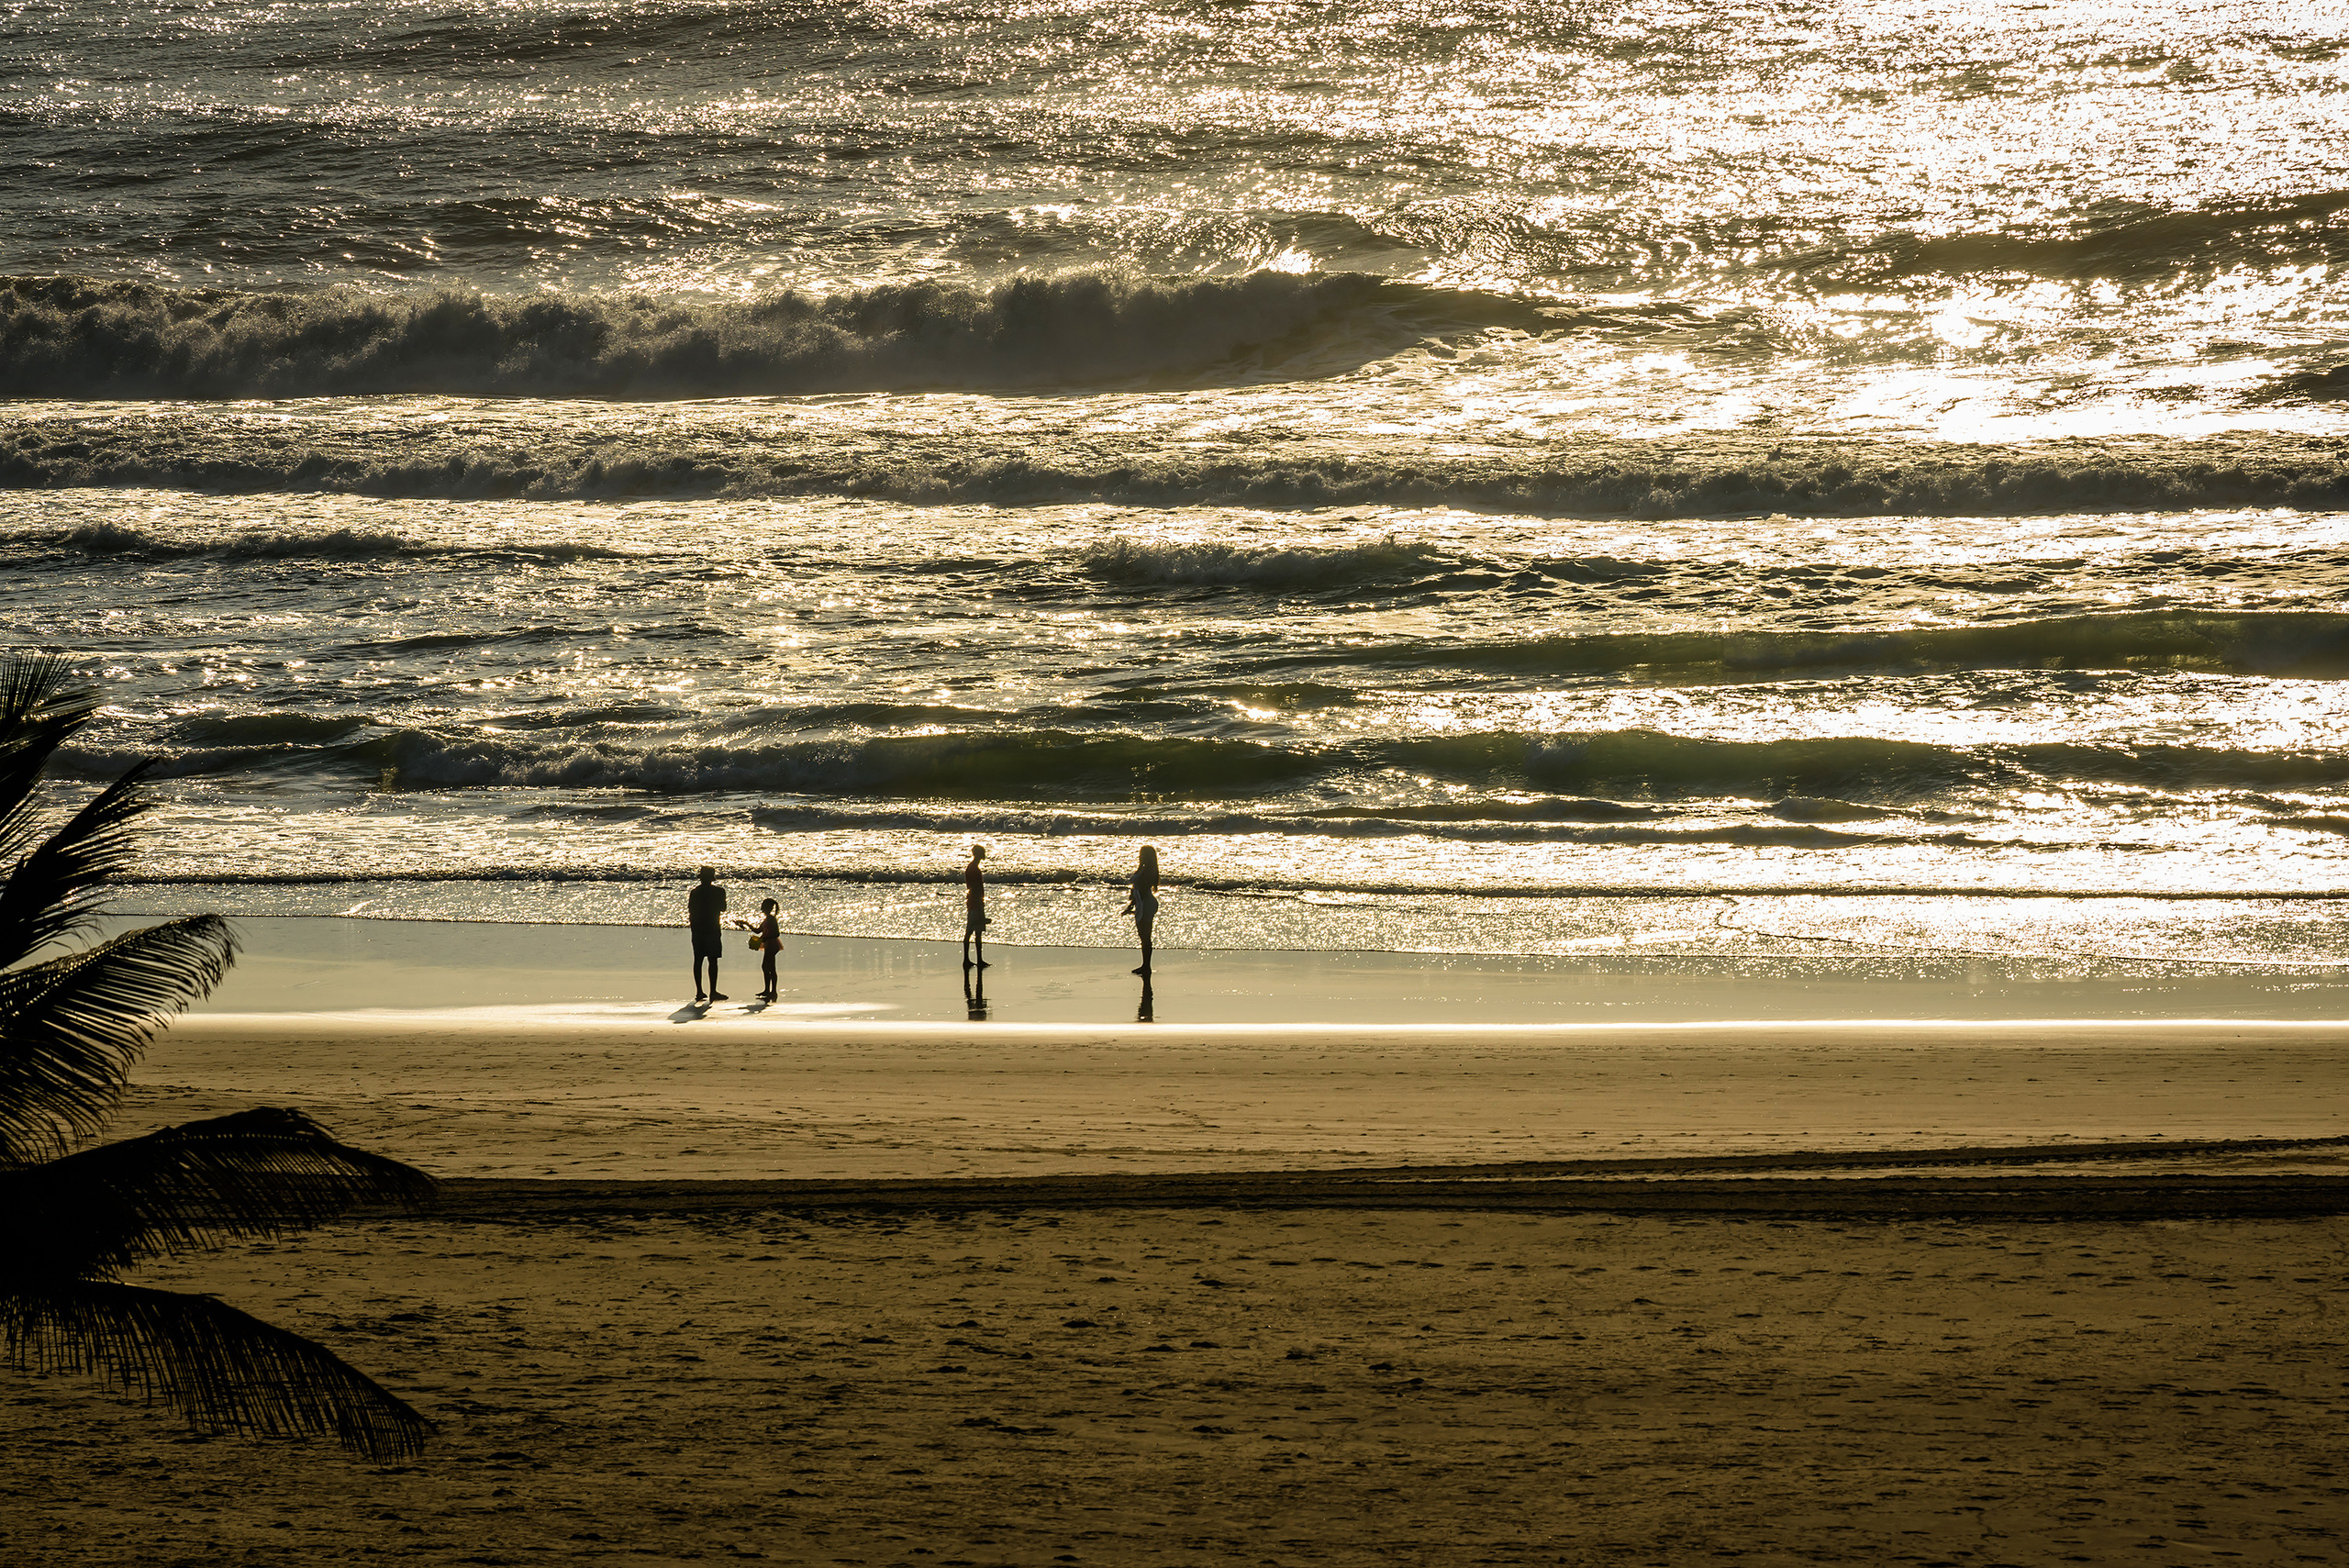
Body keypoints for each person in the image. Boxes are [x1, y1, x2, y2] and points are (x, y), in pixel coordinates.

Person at [688, 865, 728, 1003]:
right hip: (713, 928)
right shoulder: (719, 891)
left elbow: (691, 911)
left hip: (698, 929)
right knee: (713, 960)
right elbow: (723, 909)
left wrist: (694, 928)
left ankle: (699, 991)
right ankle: (713, 991)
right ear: (712, 877)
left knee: (698, 960)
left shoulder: (695, 892)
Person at [1119, 844, 1159, 976]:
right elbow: (1137, 889)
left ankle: (1146, 966)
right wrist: (1131, 905)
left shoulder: (1149, 870)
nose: (1140, 856)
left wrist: (1134, 902)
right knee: (1143, 936)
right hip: (1142, 902)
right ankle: (1145, 965)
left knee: (1145, 937)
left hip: (1146, 903)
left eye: (1142, 854)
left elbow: (1141, 889)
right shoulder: (1143, 869)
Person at [963, 842, 990, 970]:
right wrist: (979, 904)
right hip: (975, 903)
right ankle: (969, 960)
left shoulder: (972, 867)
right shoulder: (974, 869)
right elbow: (975, 888)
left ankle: (975, 959)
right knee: (973, 932)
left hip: (974, 902)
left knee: (975, 931)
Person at [754, 897, 781, 1002]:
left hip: (772, 945)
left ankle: (772, 991)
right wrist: (746, 924)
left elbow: (776, 934)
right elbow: (757, 931)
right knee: (768, 967)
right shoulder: (767, 919)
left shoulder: (771, 919)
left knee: (768, 967)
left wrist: (765, 938)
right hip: (769, 944)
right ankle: (769, 990)